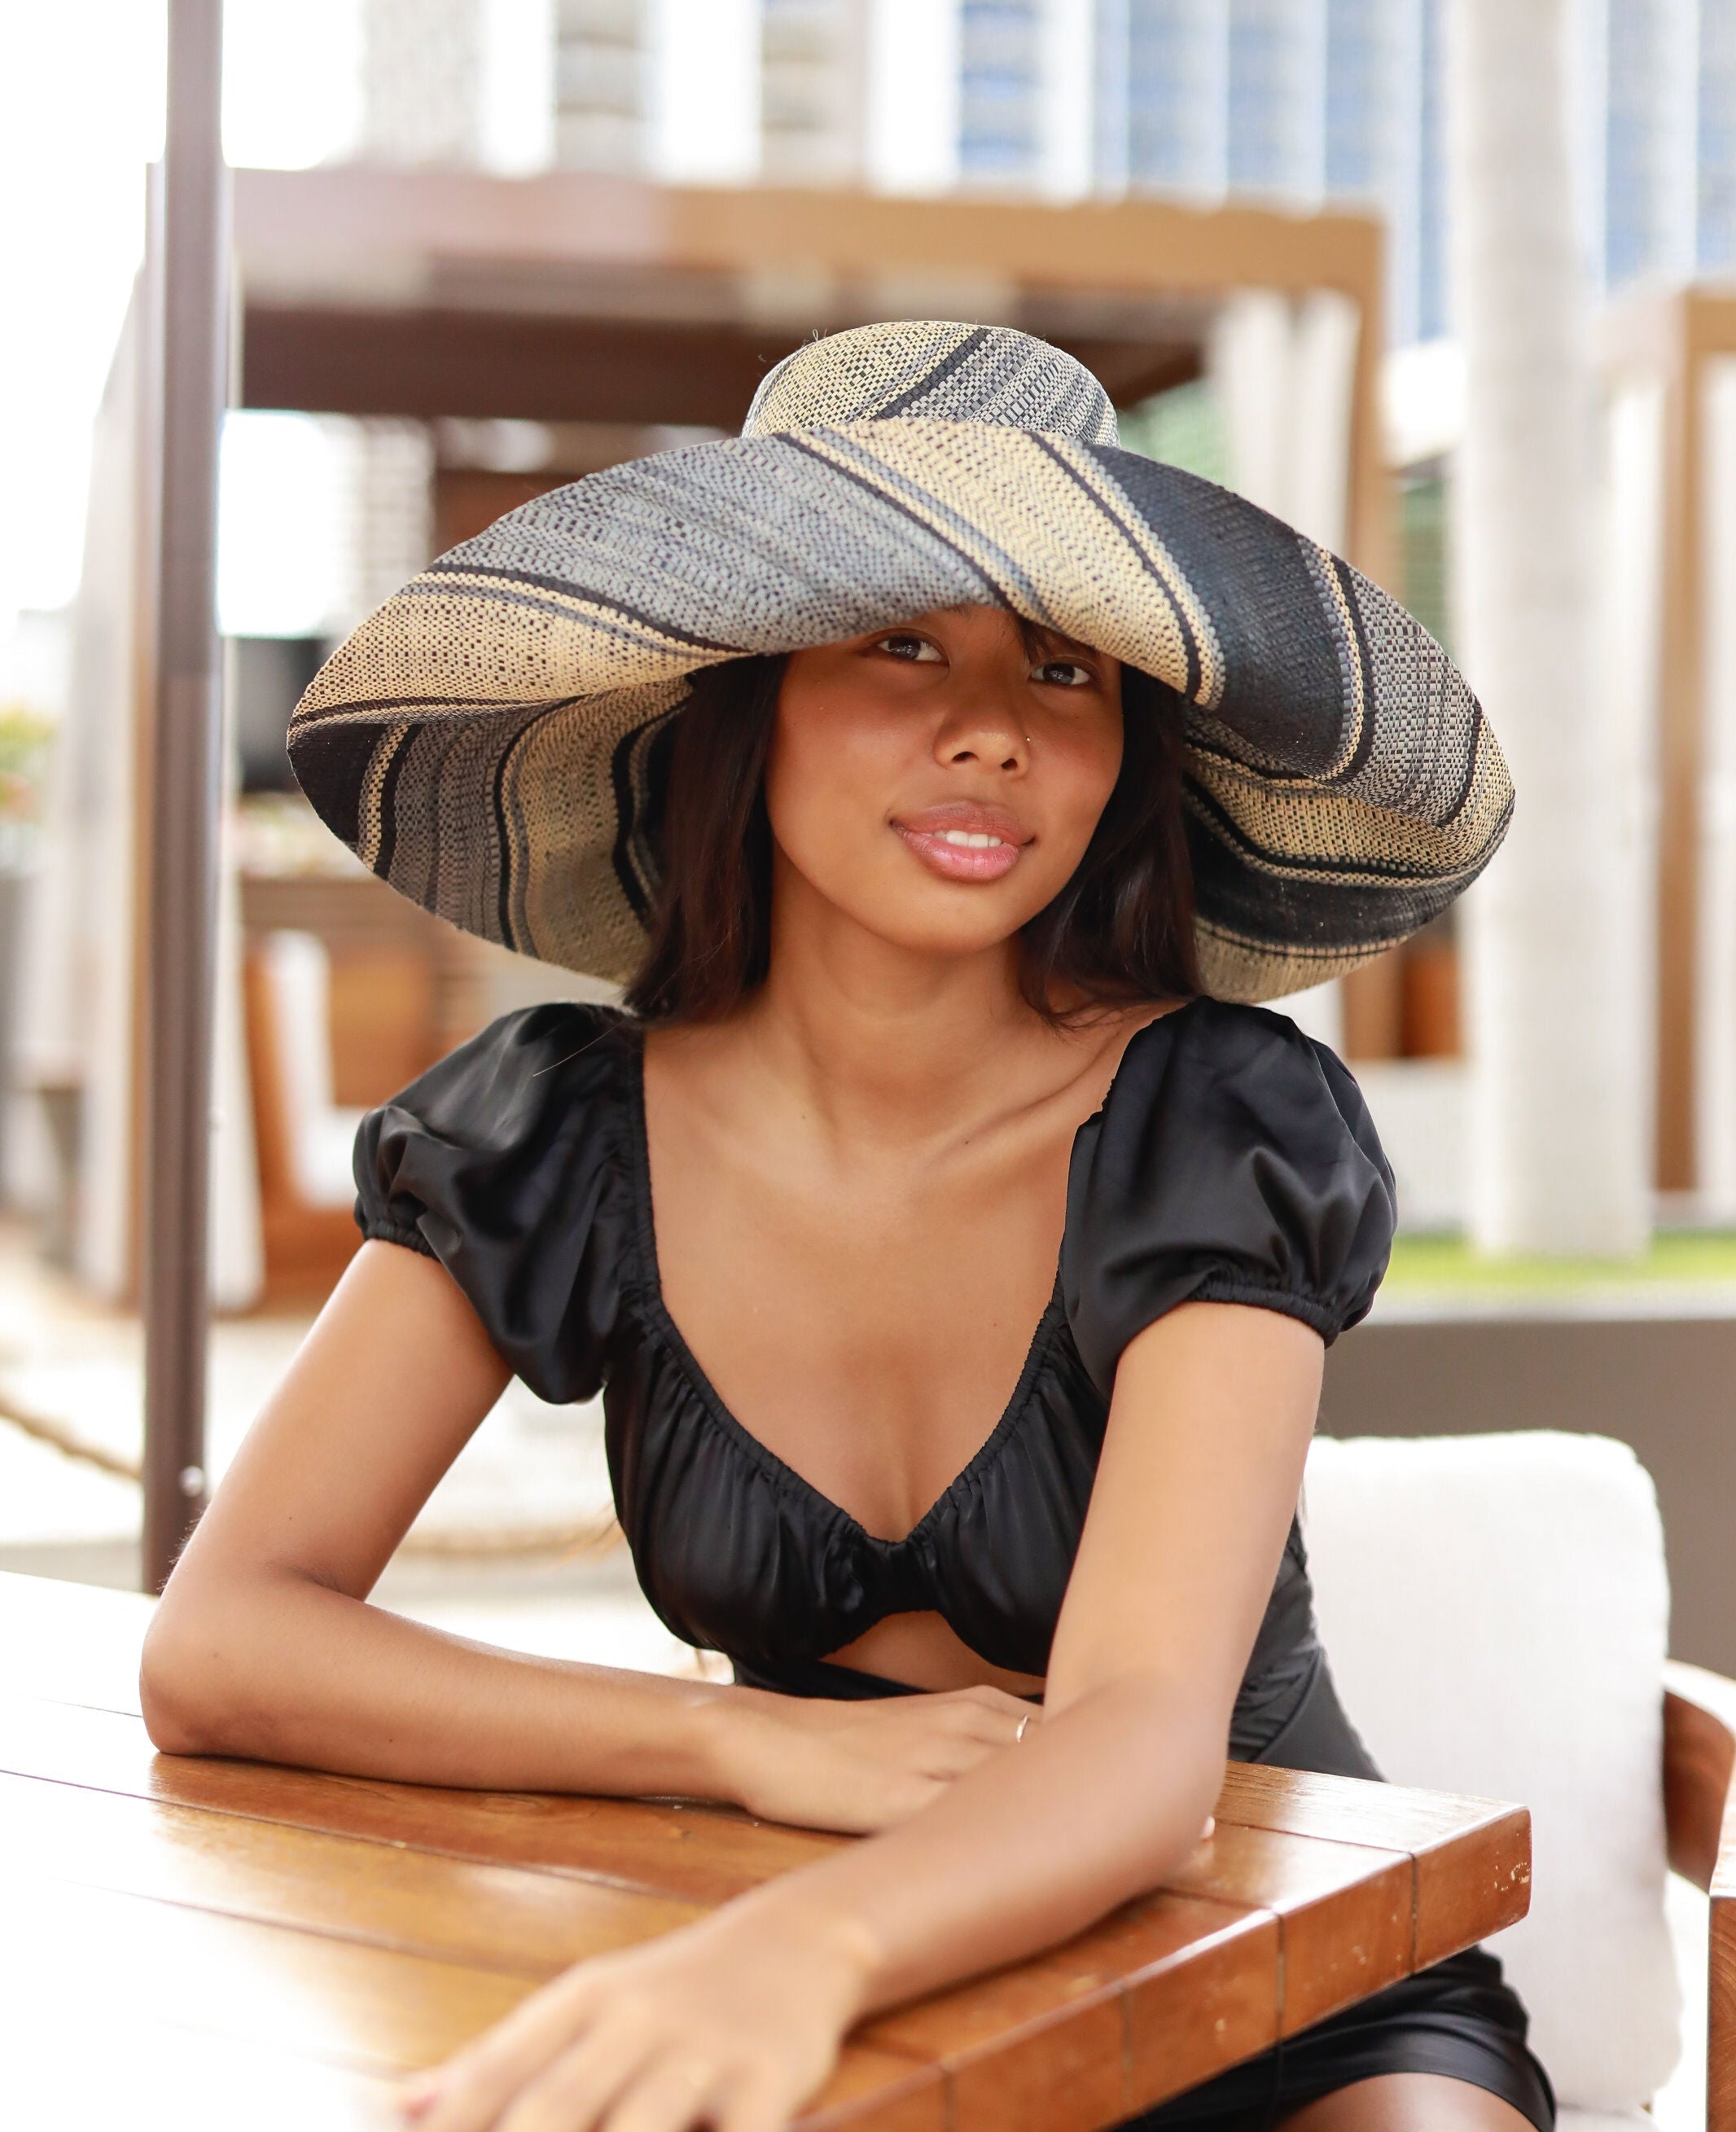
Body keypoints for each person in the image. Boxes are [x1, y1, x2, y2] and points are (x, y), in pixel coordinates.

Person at [142, 322, 1545, 2132]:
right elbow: (224, 1638)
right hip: (815, 1958)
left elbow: (1138, 1743)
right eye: (901, 641)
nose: (991, 728)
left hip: (1262, 1964)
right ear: (746, 696)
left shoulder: (1215, 1125)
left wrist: (798, 1953)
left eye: (1065, 670)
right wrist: (735, 1736)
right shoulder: (558, 1131)